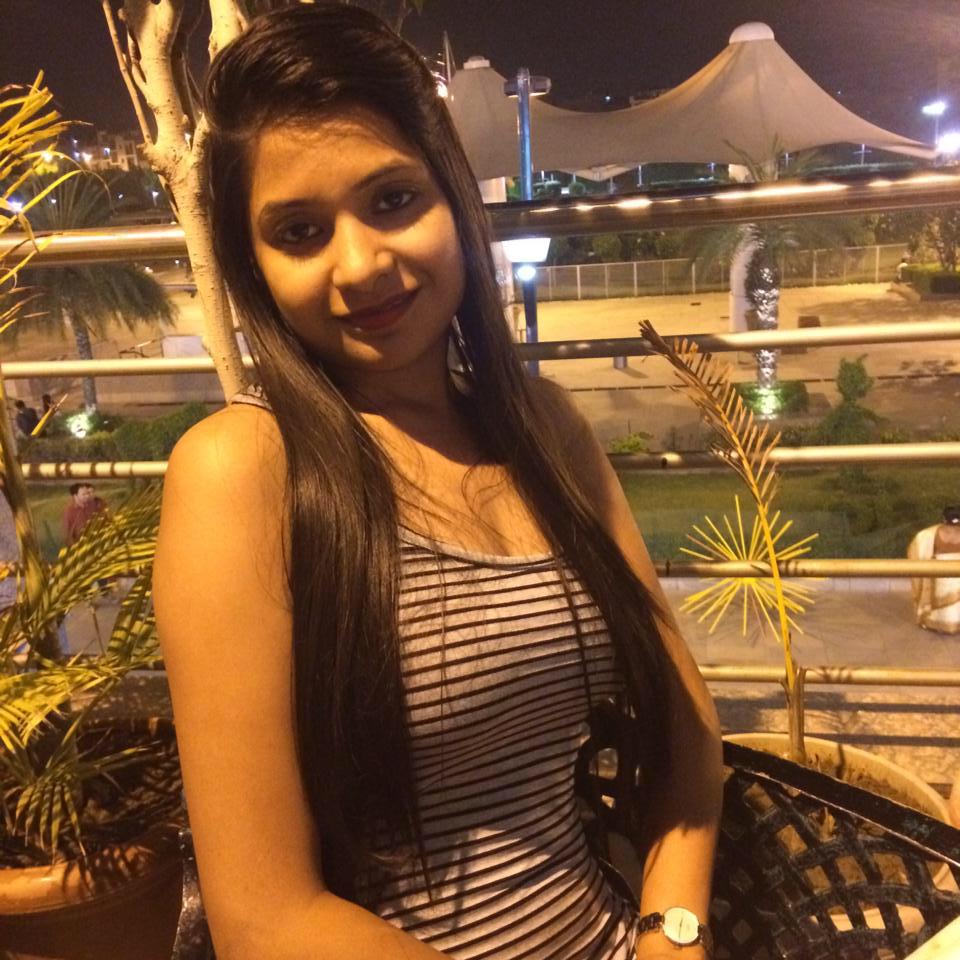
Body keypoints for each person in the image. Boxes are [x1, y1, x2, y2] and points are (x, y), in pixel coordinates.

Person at [153, 6, 723, 960]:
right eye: (299, 231)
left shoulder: (542, 428)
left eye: (391, 199)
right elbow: (265, 919)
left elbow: (684, 723)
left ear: (453, 197)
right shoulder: (243, 474)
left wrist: (673, 929)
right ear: (255, 265)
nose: (361, 264)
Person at [908, 505, 960, 635]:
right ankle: (934, 622)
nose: (952, 530)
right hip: (935, 575)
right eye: (949, 528)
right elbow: (916, 552)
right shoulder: (926, 536)